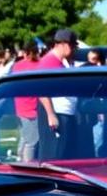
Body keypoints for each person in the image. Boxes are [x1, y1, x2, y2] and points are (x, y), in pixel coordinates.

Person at [36, 28, 78, 158]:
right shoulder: (49, 62)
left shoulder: (60, 62)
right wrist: (51, 114)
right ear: (64, 44)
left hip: (62, 113)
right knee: (53, 153)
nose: (74, 49)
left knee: (61, 153)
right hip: (55, 113)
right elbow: (41, 89)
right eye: (72, 46)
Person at [11, 40, 42, 160]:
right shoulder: (38, 66)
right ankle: (27, 164)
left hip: (19, 106)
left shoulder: (17, 66)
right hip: (32, 107)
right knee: (32, 141)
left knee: (24, 137)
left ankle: (20, 159)